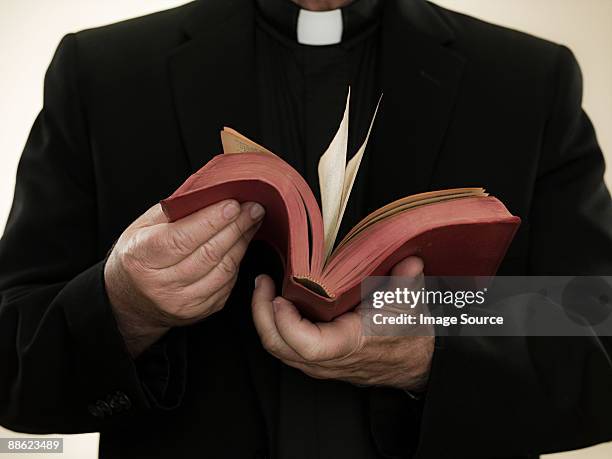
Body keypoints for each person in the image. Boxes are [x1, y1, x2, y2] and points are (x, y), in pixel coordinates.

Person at [1, 0, 611, 458]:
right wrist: (125, 305)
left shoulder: (528, 80)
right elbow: (11, 362)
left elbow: (592, 321)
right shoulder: (101, 73)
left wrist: (433, 349)